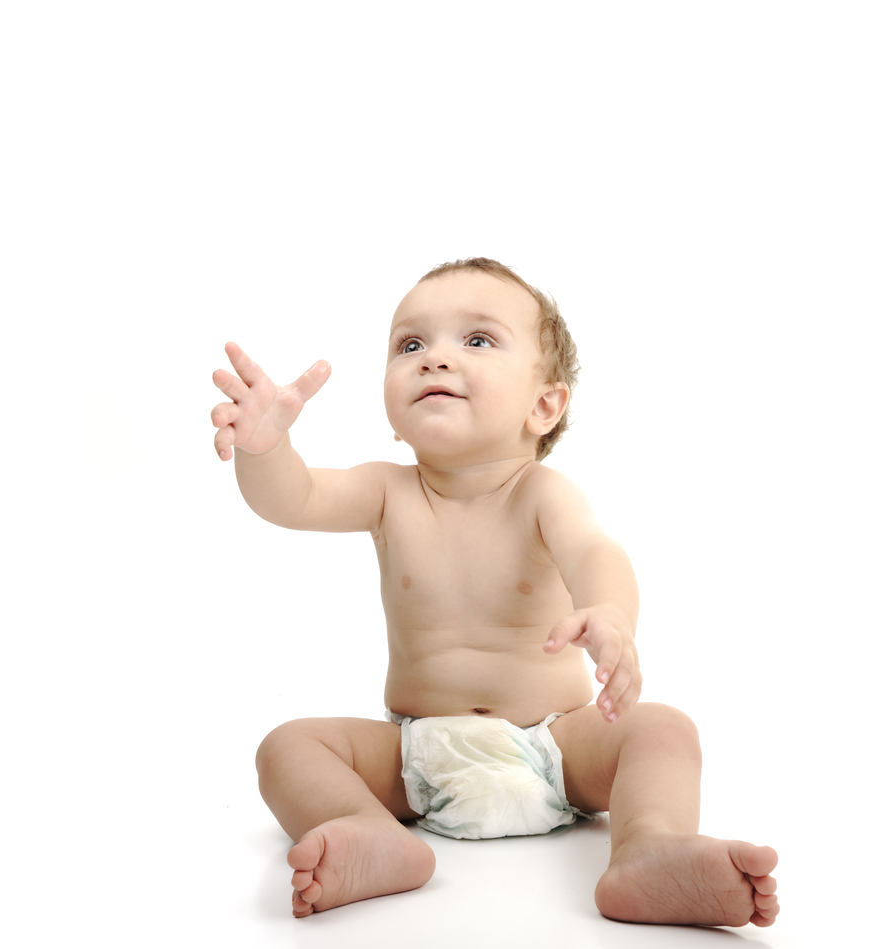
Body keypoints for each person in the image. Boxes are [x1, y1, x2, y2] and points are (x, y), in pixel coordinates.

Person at [211, 258, 780, 926]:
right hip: (416, 756)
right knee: (287, 748)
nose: (434, 358)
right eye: (410, 344)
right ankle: (370, 831)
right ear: (393, 415)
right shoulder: (387, 490)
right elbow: (297, 497)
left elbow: (595, 551)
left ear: (544, 405)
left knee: (662, 729)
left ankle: (648, 846)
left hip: (558, 749)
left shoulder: (542, 493)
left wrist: (609, 613)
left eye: (476, 339)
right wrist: (265, 450)